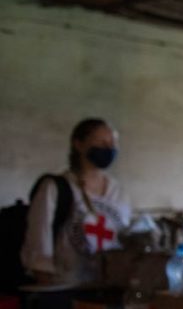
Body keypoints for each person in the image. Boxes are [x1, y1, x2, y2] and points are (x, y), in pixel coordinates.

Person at [20, 117, 131, 285]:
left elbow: (123, 236)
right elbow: (38, 241)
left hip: (106, 288)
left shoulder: (118, 191)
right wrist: (46, 288)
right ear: (79, 144)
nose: (109, 148)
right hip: (65, 286)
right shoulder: (55, 188)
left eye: (112, 143)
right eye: (101, 143)